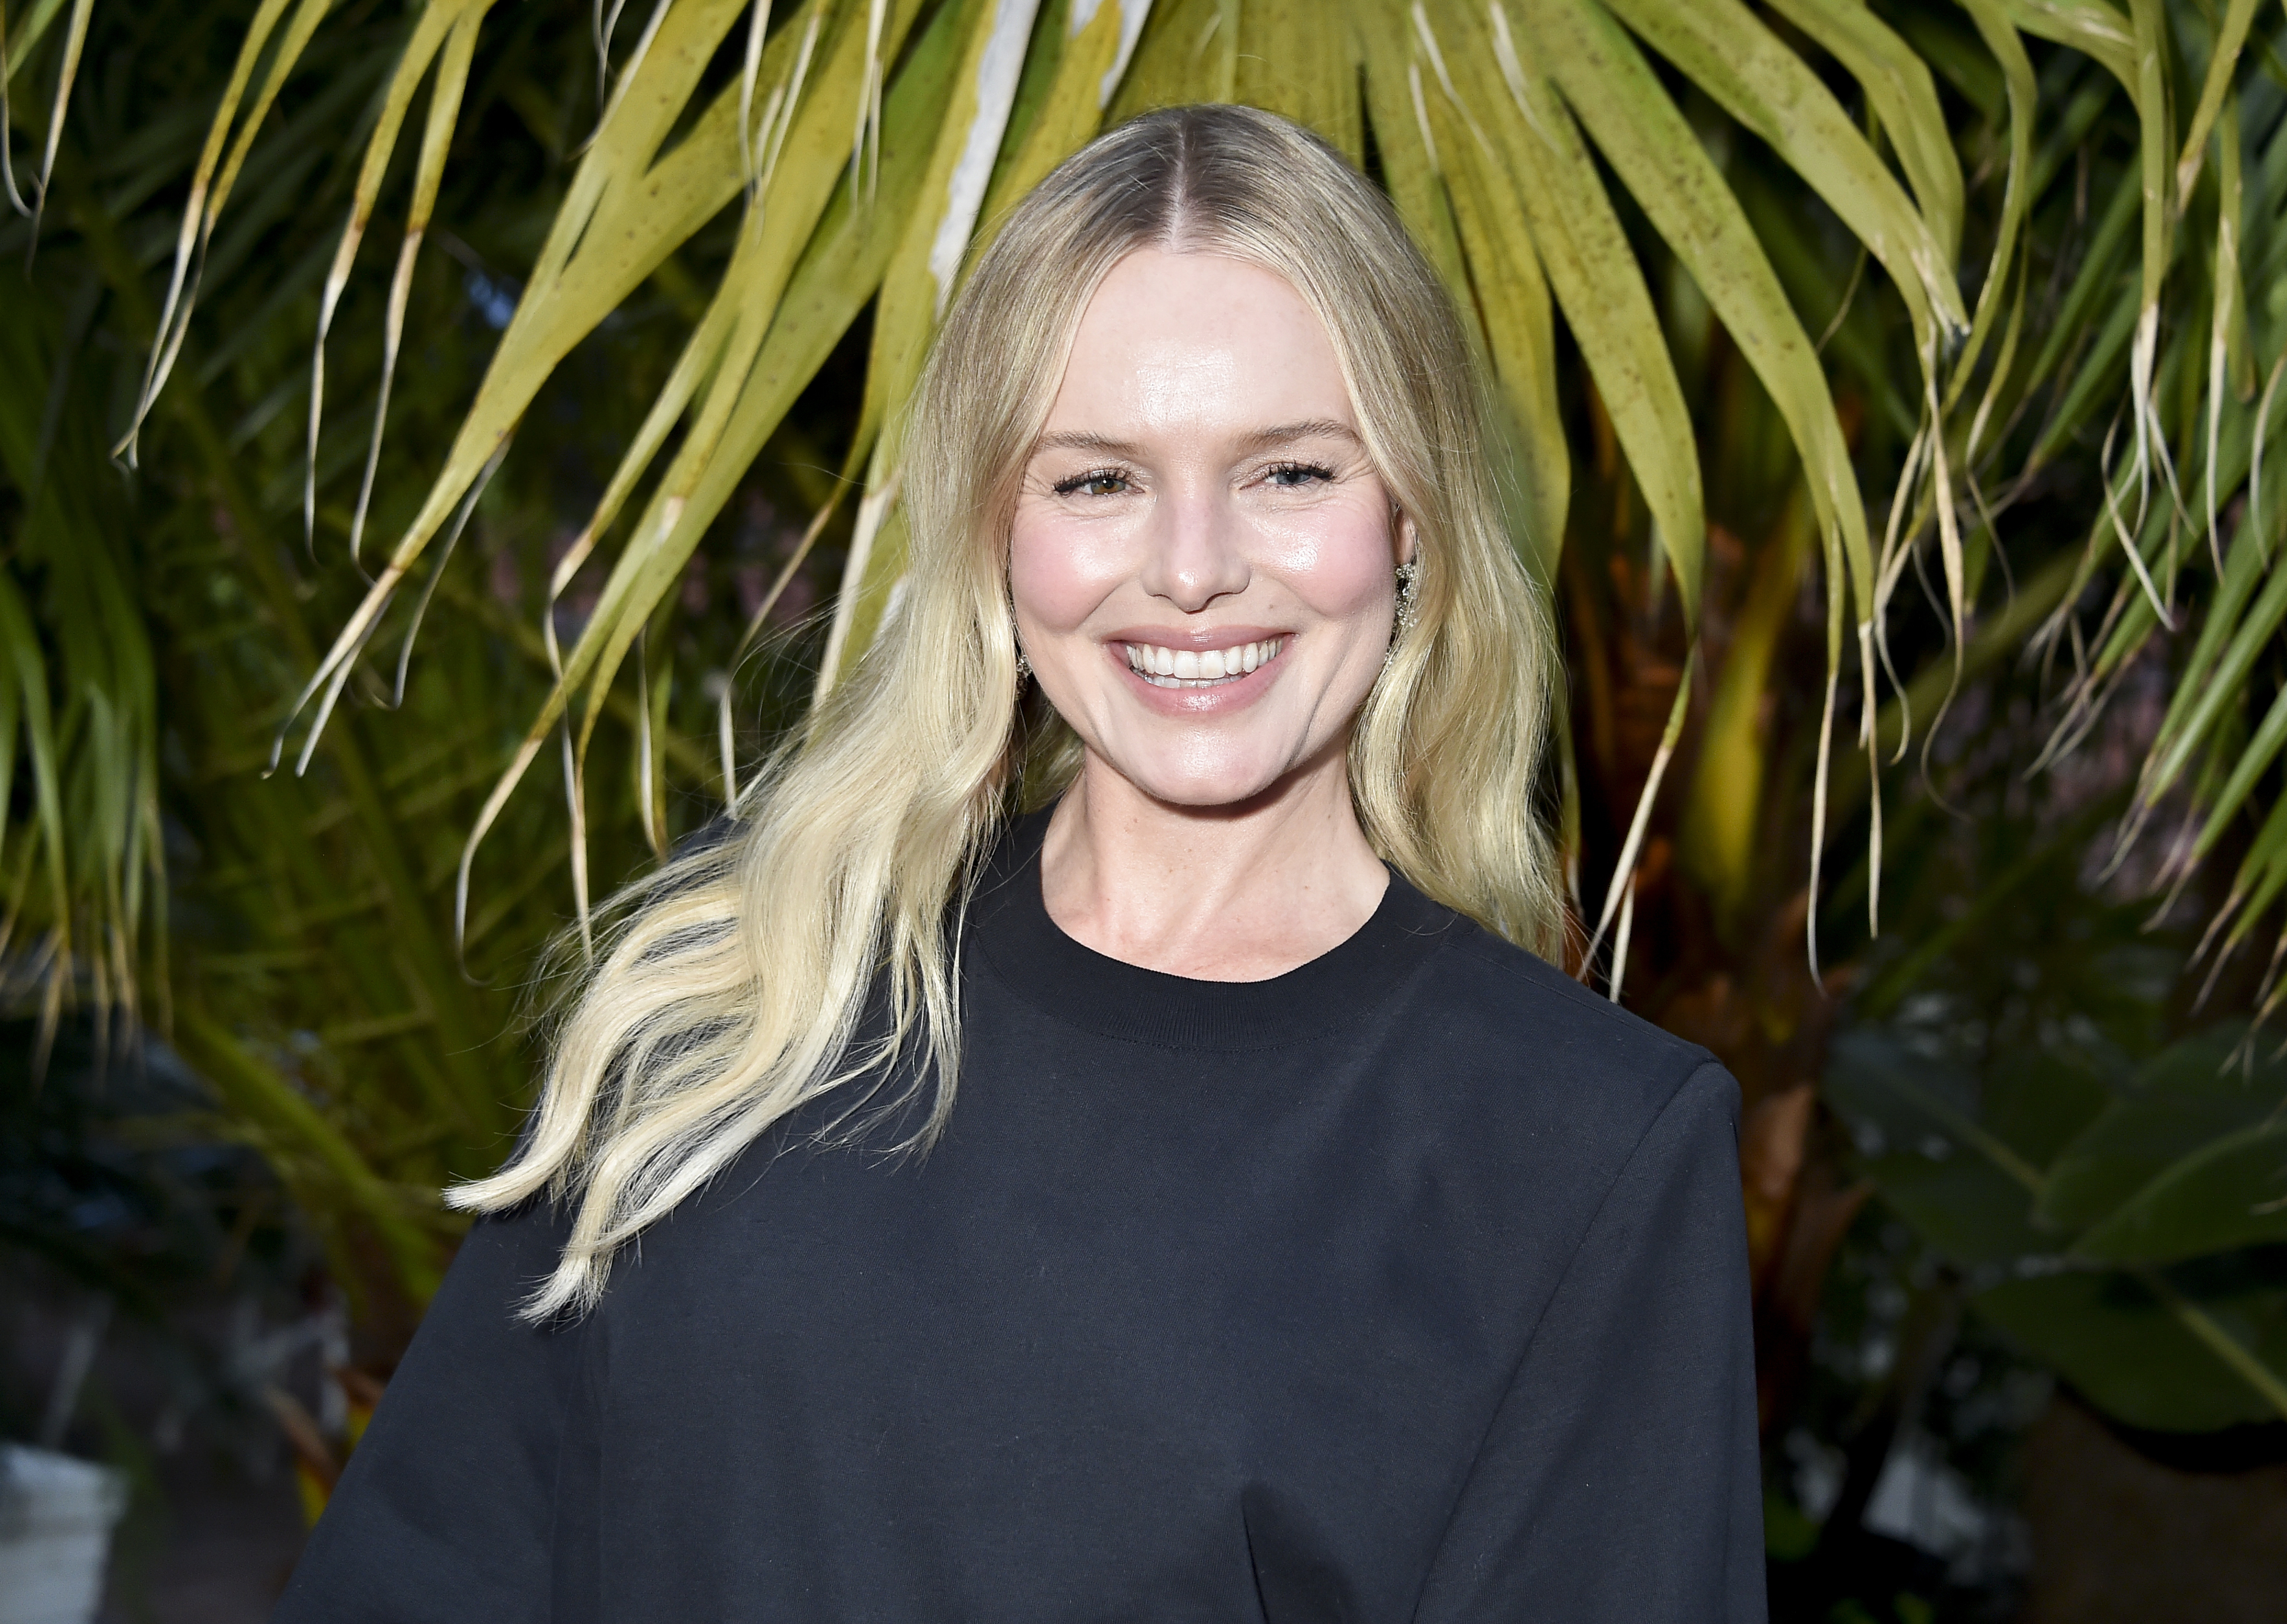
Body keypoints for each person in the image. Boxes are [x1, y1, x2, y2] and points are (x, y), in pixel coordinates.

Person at [275, 104, 1765, 1622]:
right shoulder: (754, 969)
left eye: (1289, 472)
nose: (1190, 567)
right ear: (993, 530)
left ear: (1412, 521)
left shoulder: (1576, 1150)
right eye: (1097, 479)